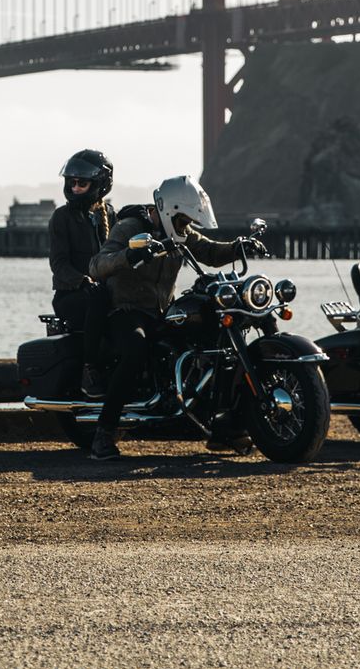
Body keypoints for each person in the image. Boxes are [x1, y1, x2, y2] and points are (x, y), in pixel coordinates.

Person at [85, 175, 251, 461]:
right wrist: (130, 254)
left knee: (215, 345)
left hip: (163, 312)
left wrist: (239, 247)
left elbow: (210, 251)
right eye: (183, 219)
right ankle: (105, 432)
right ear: (168, 211)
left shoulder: (180, 231)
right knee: (135, 348)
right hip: (126, 310)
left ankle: (224, 427)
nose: (187, 225)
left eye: (189, 220)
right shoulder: (130, 228)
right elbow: (97, 265)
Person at [47, 149, 116, 399]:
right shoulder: (61, 218)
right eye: (72, 182)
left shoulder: (109, 214)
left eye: (82, 183)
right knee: (97, 299)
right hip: (71, 296)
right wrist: (82, 281)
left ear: (100, 184)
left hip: (104, 293)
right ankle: (90, 370)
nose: (75, 188)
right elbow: (59, 264)